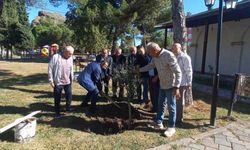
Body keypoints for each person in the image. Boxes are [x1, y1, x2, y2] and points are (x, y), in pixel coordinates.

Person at [139, 42, 182, 137]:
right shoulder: (155, 57)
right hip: (162, 84)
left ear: (154, 50)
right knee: (161, 104)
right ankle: (159, 122)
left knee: (171, 106)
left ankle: (171, 127)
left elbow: (178, 72)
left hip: (171, 85)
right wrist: (139, 70)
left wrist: (177, 87)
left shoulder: (168, 55)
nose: (149, 55)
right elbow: (150, 66)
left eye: (150, 53)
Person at [48, 46, 74, 118]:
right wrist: (51, 80)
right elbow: (50, 69)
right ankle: (57, 113)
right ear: (65, 52)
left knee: (69, 96)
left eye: (72, 54)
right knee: (57, 98)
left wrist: (72, 78)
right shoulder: (55, 57)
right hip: (58, 82)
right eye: (70, 54)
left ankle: (68, 108)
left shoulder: (70, 58)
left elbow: (71, 68)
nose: (71, 55)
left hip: (68, 81)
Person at [171, 43, 193, 123]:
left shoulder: (185, 57)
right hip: (173, 82)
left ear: (180, 48)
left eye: (175, 48)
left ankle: (179, 119)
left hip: (182, 83)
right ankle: (174, 115)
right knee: (174, 100)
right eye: (172, 48)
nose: (173, 49)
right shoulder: (173, 56)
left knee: (179, 101)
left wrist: (189, 83)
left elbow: (189, 71)